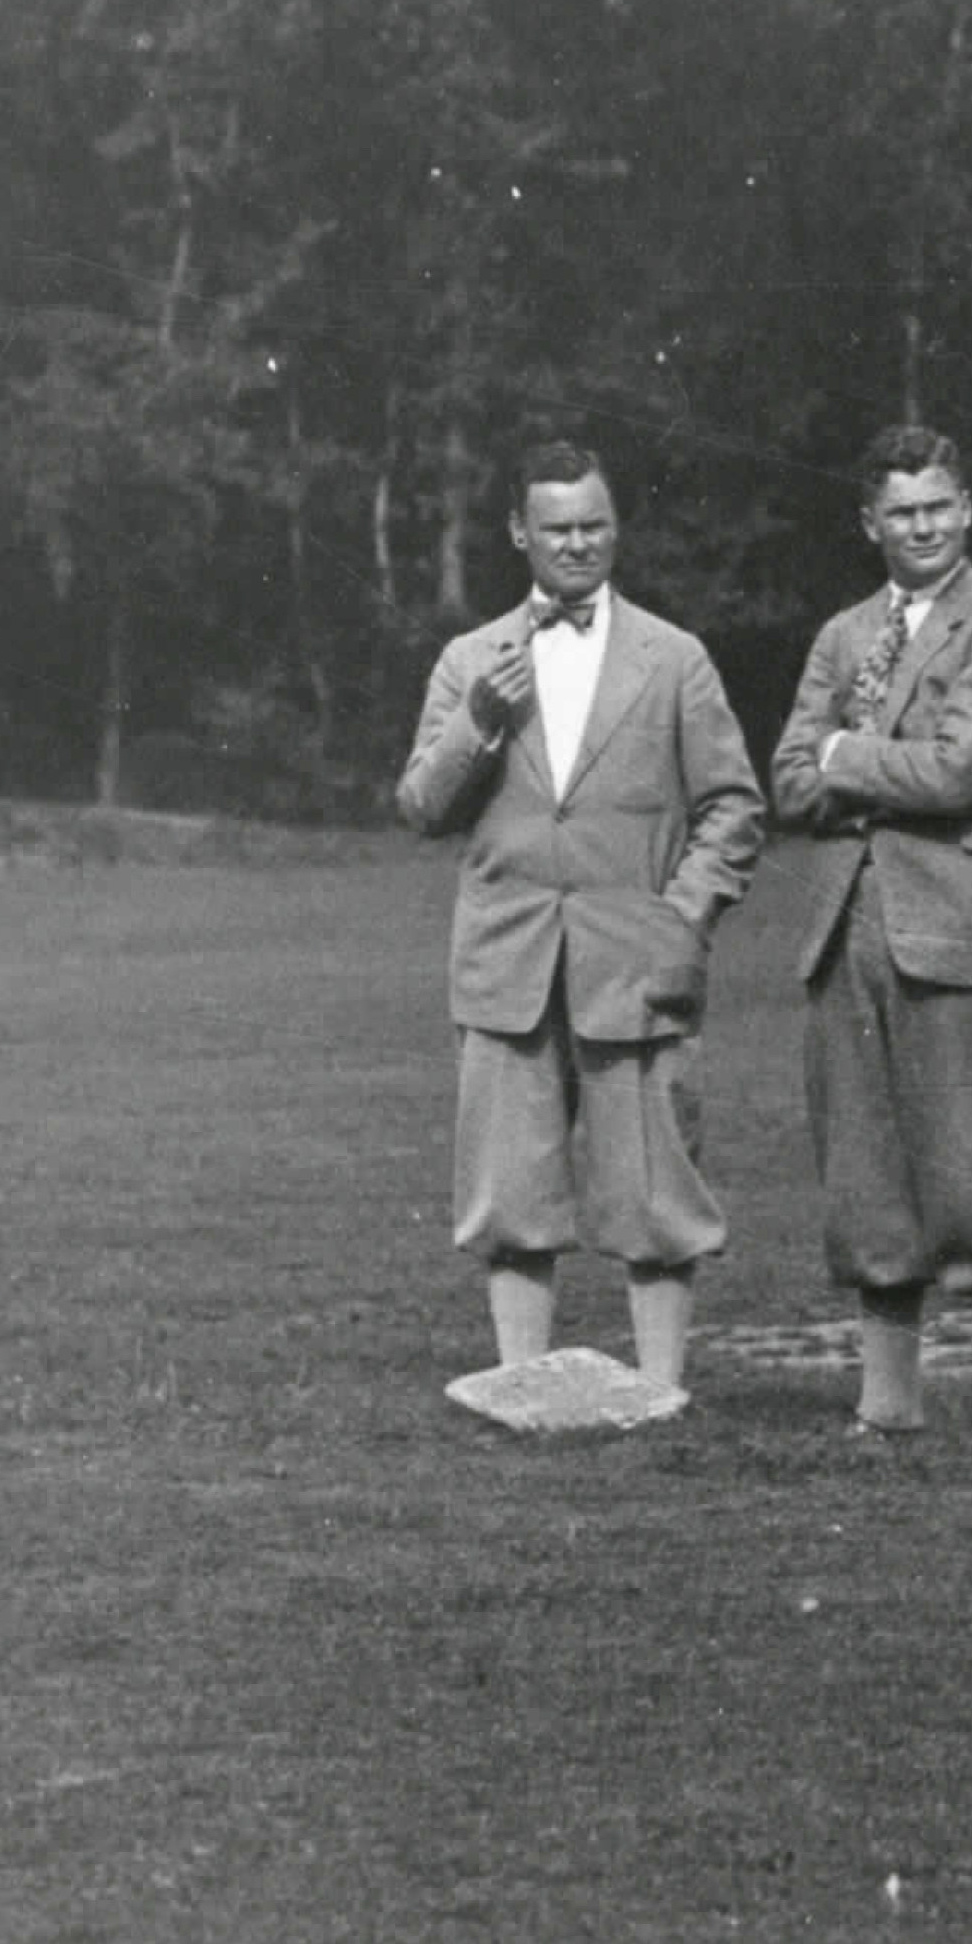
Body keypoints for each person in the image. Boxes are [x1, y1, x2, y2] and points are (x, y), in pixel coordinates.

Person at [396, 442, 768, 1401]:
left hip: (635, 962)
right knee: (511, 1195)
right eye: (556, 528)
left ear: (616, 530)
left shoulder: (673, 657)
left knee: (653, 1193)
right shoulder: (470, 659)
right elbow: (421, 806)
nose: (576, 545)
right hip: (507, 959)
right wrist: (478, 720)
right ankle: (521, 1391)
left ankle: (660, 1390)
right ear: (520, 533)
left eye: (593, 526)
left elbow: (734, 807)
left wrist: (680, 915)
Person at [761, 426, 972, 1434]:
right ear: (868, 523)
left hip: (957, 925)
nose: (921, 526)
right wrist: (858, 762)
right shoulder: (843, 635)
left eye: (937, 506)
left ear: (966, 509)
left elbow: (957, 772)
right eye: (900, 511)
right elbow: (787, 781)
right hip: (847, 926)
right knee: (866, 1178)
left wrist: (845, 753)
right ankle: (887, 1407)